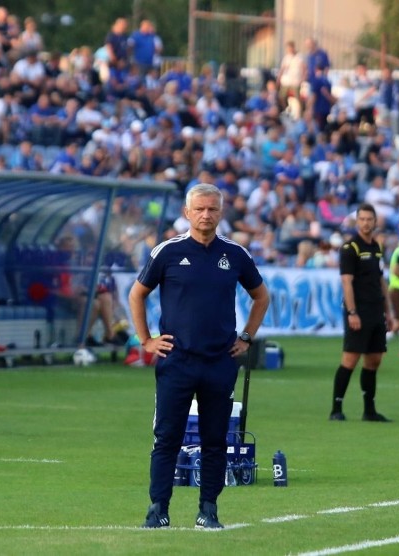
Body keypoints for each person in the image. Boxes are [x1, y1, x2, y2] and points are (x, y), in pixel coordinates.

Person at [128, 183, 270, 530]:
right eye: (200, 209)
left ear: (220, 213)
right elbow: (137, 294)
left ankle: (208, 509)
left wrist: (247, 338)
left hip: (220, 361)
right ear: (187, 213)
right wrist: (146, 339)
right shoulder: (167, 251)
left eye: (212, 209)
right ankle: (158, 508)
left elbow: (261, 297)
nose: (206, 215)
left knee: (215, 440)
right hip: (177, 361)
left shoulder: (235, 254)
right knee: (167, 437)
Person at [330, 203, 393, 423]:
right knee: (350, 359)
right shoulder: (350, 248)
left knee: (374, 359)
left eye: (370, 219)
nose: (366, 223)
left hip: (376, 310)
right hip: (359, 310)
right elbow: (347, 283)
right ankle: (336, 408)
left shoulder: (377, 247)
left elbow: (380, 280)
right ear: (357, 222)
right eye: (362, 219)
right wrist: (352, 312)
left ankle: (370, 410)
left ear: (375, 222)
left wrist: (389, 311)